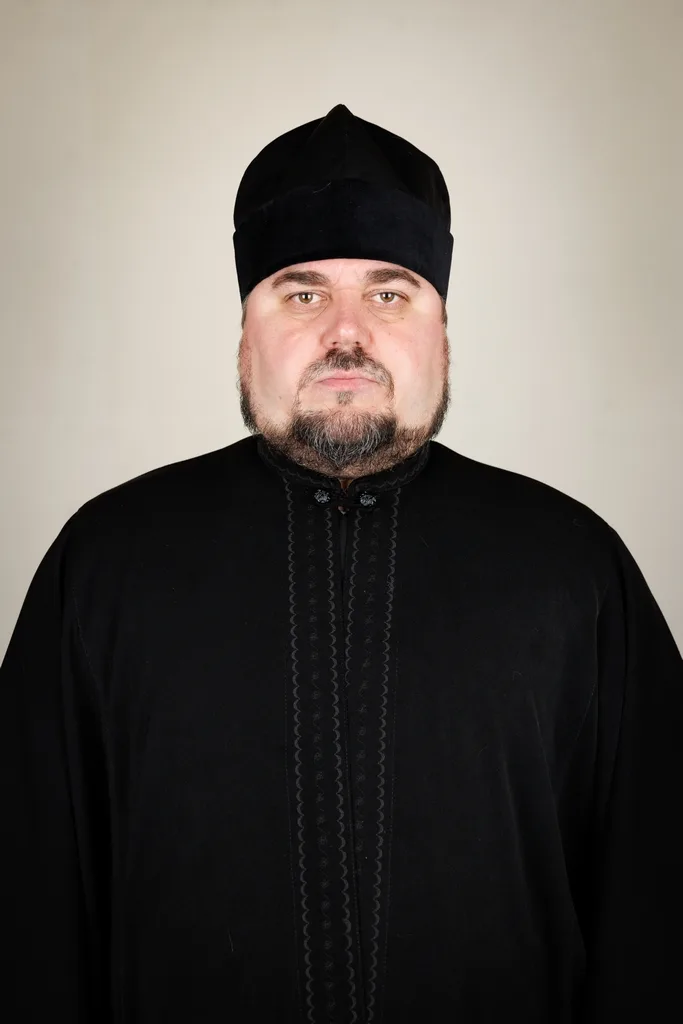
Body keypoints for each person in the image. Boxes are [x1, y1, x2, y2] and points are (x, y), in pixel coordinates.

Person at [1, 103, 681, 1024]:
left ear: (443, 332)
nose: (347, 333)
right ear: (244, 334)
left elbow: (655, 909)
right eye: (303, 294)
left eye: (391, 294)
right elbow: (29, 908)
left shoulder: (573, 568)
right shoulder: (105, 564)